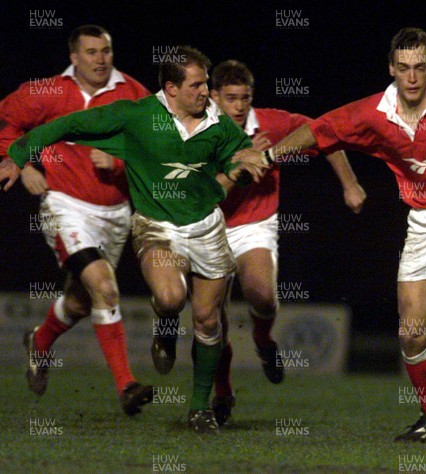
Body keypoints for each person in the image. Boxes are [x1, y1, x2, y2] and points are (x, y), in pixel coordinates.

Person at [234, 27, 426, 442]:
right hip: (423, 221)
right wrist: (266, 154)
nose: (411, 77)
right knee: (410, 334)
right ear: (391, 67)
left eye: (420, 68)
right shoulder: (372, 113)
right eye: (403, 67)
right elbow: (320, 131)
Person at [0, 45, 266, 434]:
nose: (206, 92)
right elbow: (66, 126)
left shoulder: (217, 121)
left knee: (209, 322)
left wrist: (244, 162)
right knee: (171, 298)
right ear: (171, 89)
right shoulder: (136, 115)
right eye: (197, 85)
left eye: (207, 84)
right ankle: (163, 327)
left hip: (207, 227)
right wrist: (19, 155)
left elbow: (234, 155)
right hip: (156, 228)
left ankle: (198, 408)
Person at [0, 25, 153, 415]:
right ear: (74, 57)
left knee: (83, 301)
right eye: (91, 52)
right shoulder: (46, 92)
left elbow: (158, 149)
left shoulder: (134, 95)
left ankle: (40, 341)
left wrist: (120, 160)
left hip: (117, 212)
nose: (100, 59)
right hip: (65, 204)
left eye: (106, 50)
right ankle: (126, 386)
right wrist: (24, 163)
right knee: (106, 287)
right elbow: (7, 121)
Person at [207, 60, 366, 426]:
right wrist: (240, 160)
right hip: (207, 224)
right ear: (213, 97)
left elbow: (324, 133)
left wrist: (350, 183)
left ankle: (263, 342)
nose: (238, 106)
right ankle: (222, 391)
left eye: (245, 98)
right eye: (230, 98)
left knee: (261, 294)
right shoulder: (195, 129)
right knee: (211, 318)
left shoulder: (272, 123)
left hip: (254, 225)